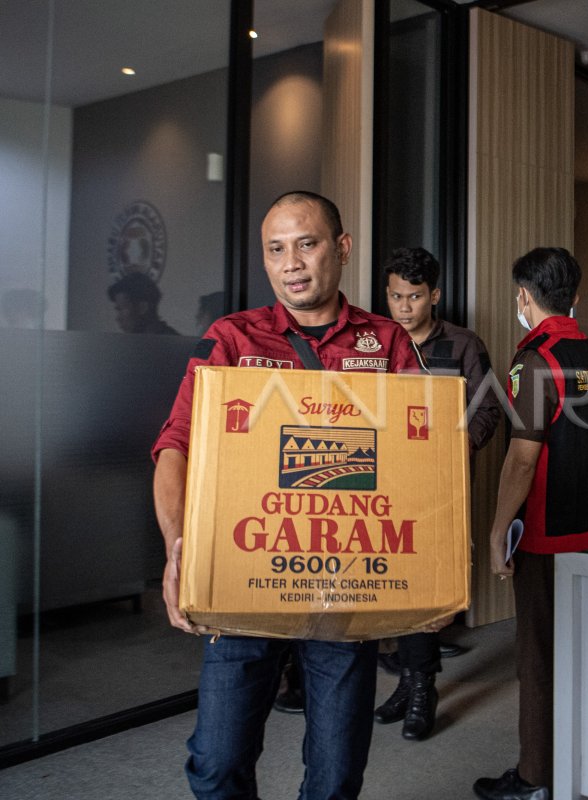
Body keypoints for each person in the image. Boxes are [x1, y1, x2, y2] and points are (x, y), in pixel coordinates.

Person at [152, 190, 423, 798]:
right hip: (243, 579)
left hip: (345, 583)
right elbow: (175, 445)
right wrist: (176, 547)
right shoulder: (230, 339)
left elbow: (420, 461)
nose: (292, 263)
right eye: (276, 249)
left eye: (308, 243)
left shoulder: (386, 344)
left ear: (342, 248)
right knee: (217, 764)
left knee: (335, 775)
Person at [473, 247, 588, 800]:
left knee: (537, 657)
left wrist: (496, 531)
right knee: (585, 651)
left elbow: (522, 457)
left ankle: (536, 776)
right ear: (576, 297)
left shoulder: (534, 361)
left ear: (523, 297)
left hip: (548, 531)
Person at [371, 247, 502, 739]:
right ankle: (410, 683)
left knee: (425, 583)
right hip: (383, 481)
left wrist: (453, 449)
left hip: (439, 481)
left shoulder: (464, 344)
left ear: (436, 295)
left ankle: (422, 688)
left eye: (415, 297)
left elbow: (488, 408)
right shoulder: (374, 342)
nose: (404, 307)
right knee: (397, 582)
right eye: (396, 296)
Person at [109, 271, 179, 334]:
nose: (118, 318)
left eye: (121, 309)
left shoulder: (176, 346)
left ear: (142, 308)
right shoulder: (128, 345)